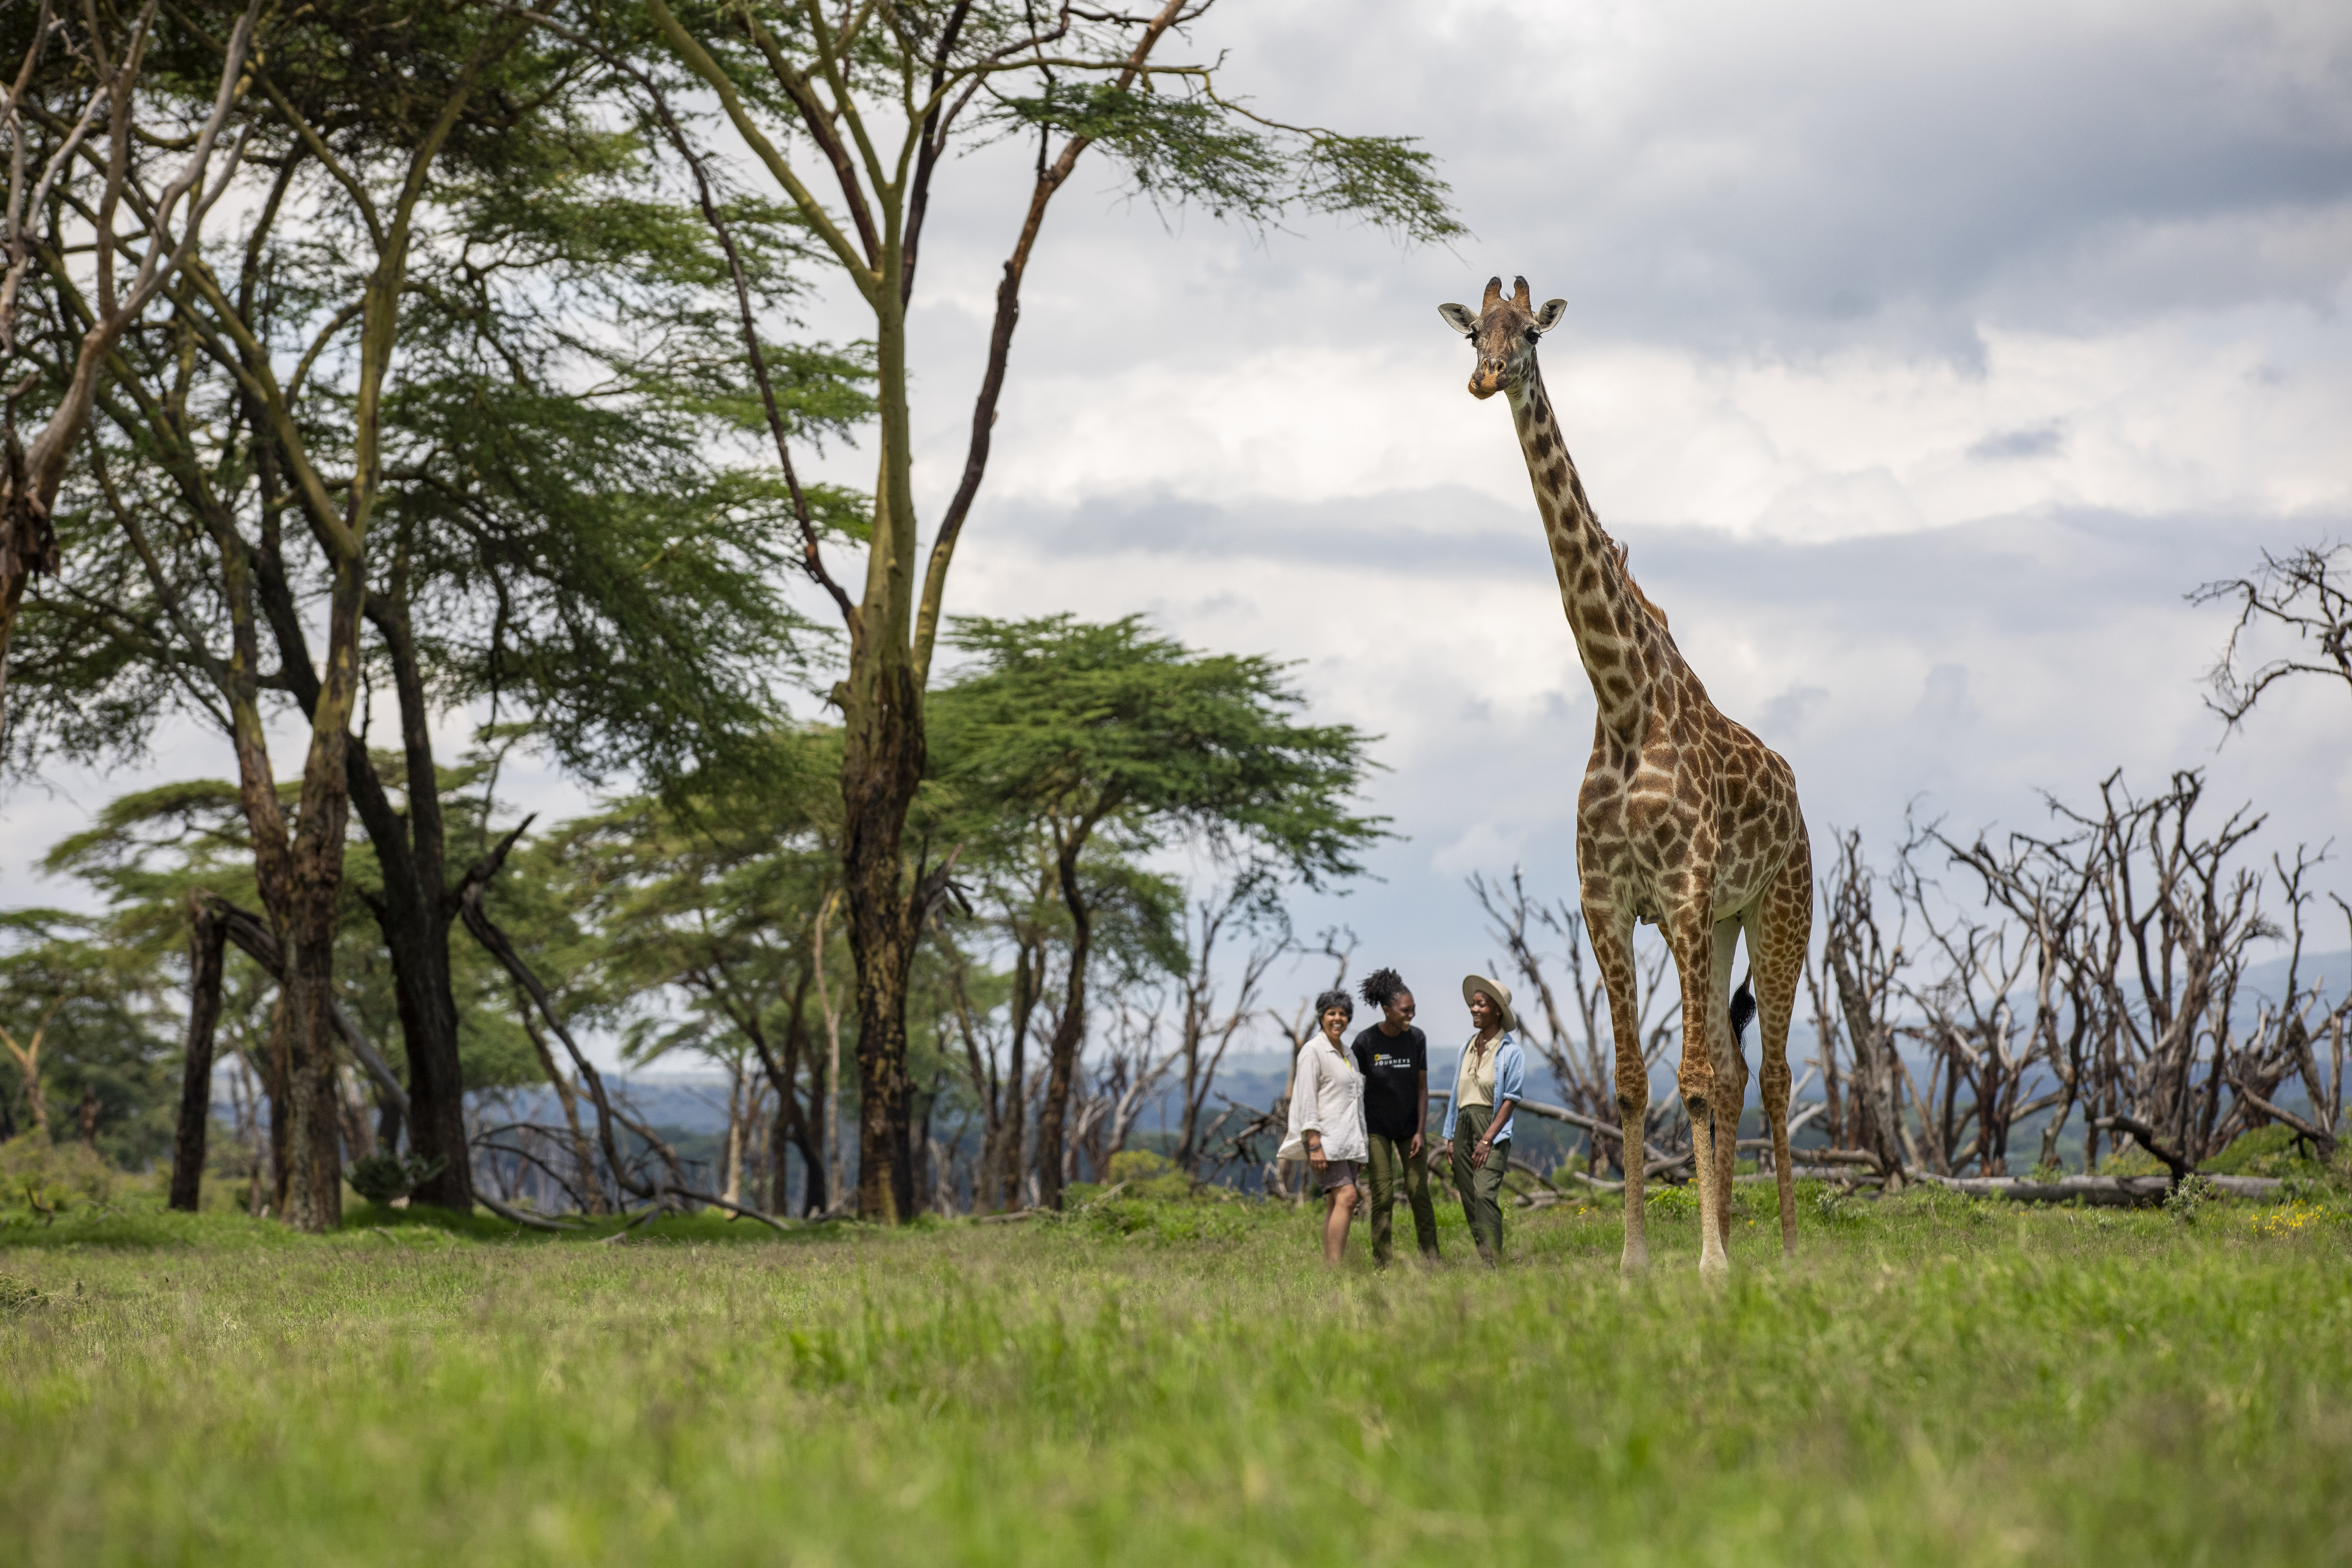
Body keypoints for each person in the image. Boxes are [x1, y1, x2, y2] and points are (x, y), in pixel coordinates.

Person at [1352, 968, 1439, 1265]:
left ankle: (1431, 1258)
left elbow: (1422, 1088)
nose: (1411, 1016)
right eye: (1405, 1011)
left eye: (1413, 1010)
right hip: (1376, 1129)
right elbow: (1353, 1091)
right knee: (1384, 1196)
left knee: (1419, 1193)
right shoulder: (1365, 1043)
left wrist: (1420, 1131)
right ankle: (1383, 1261)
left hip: (1409, 1129)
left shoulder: (1417, 1039)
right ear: (1387, 1010)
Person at [1438, 974, 1525, 1266]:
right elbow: (1456, 1094)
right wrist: (1450, 1137)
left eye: (1481, 1005)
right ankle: (1486, 1258)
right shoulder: (1467, 1047)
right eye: (1473, 1005)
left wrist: (1488, 1139)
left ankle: (1495, 1262)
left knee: (1485, 1193)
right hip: (1462, 1123)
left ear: (1497, 1011)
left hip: (1491, 1125)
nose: (1474, 1010)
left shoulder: (1511, 1053)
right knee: (1469, 1195)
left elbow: (1511, 1099)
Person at [1280, 988, 1369, 1266]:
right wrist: (1314, 1143)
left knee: (1335, 1202)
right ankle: (1336, 1268)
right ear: (1322, 1017)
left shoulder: (1349, 1054)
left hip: (1347, 1141)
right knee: (1348, 1197)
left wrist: (1360, 1148)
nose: (1338, 1018)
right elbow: (1305, 1099)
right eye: (1332, 1013)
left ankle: (1331, 1269)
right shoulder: (1313, 1051)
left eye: (1343, 1014)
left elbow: (1355, 1103)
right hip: (1325, 1141)